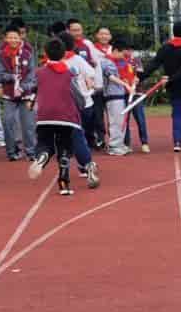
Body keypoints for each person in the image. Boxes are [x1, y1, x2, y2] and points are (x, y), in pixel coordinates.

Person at [28, 36, 101, 196]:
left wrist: (32, 102)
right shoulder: (69, 74)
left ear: (45, 53)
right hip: (66, 117)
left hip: (44, 116)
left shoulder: (39, 72)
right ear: (64, 54)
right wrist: (82, 104)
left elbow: (33, 89)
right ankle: (64, 184)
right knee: (65, 149)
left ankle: (42, 156)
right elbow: (77, 95)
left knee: (45, 144)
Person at [140, 21, 181, 152]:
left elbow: (154, 64)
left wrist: (140, 77)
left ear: (173, 32)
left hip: (173, 87)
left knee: (178, 114)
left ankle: (177, 142)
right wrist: (172, 78)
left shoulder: (165, 48)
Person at [0, 23, 37, 161]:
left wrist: (24, 86)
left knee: (29, 123)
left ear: (20, 38)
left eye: (15, 37)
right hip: (9, 94)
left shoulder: (27, 54)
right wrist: (12, 77)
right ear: (5, 39)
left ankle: (31, 151)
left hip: (26, 94)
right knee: (8, 122)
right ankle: (12, 151)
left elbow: (32, 74)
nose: (13, 40)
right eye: (10, 37)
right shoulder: (1, 55)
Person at [64, 20, 105, 154]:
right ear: (68, 31)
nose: (77, 33)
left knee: (89, 116)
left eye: (79, 30)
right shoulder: (62, 47)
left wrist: (92, 80)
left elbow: (94, 64)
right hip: (68, 91)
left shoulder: (86, 45)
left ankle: (90, 140)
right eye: (74, 30)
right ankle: (71, 146)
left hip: (85, 88)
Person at [91, 28, 131, 156]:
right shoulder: (106, 61)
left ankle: (120, 144)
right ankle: (114, 146)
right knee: (115, 121)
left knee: (122, 121)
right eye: (122, 54)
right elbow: (110, 76)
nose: (124, 56)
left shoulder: (115, 62)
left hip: (120, 95)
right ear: (116, 50)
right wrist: (125, 84)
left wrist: (128, 83)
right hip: (112, 96)